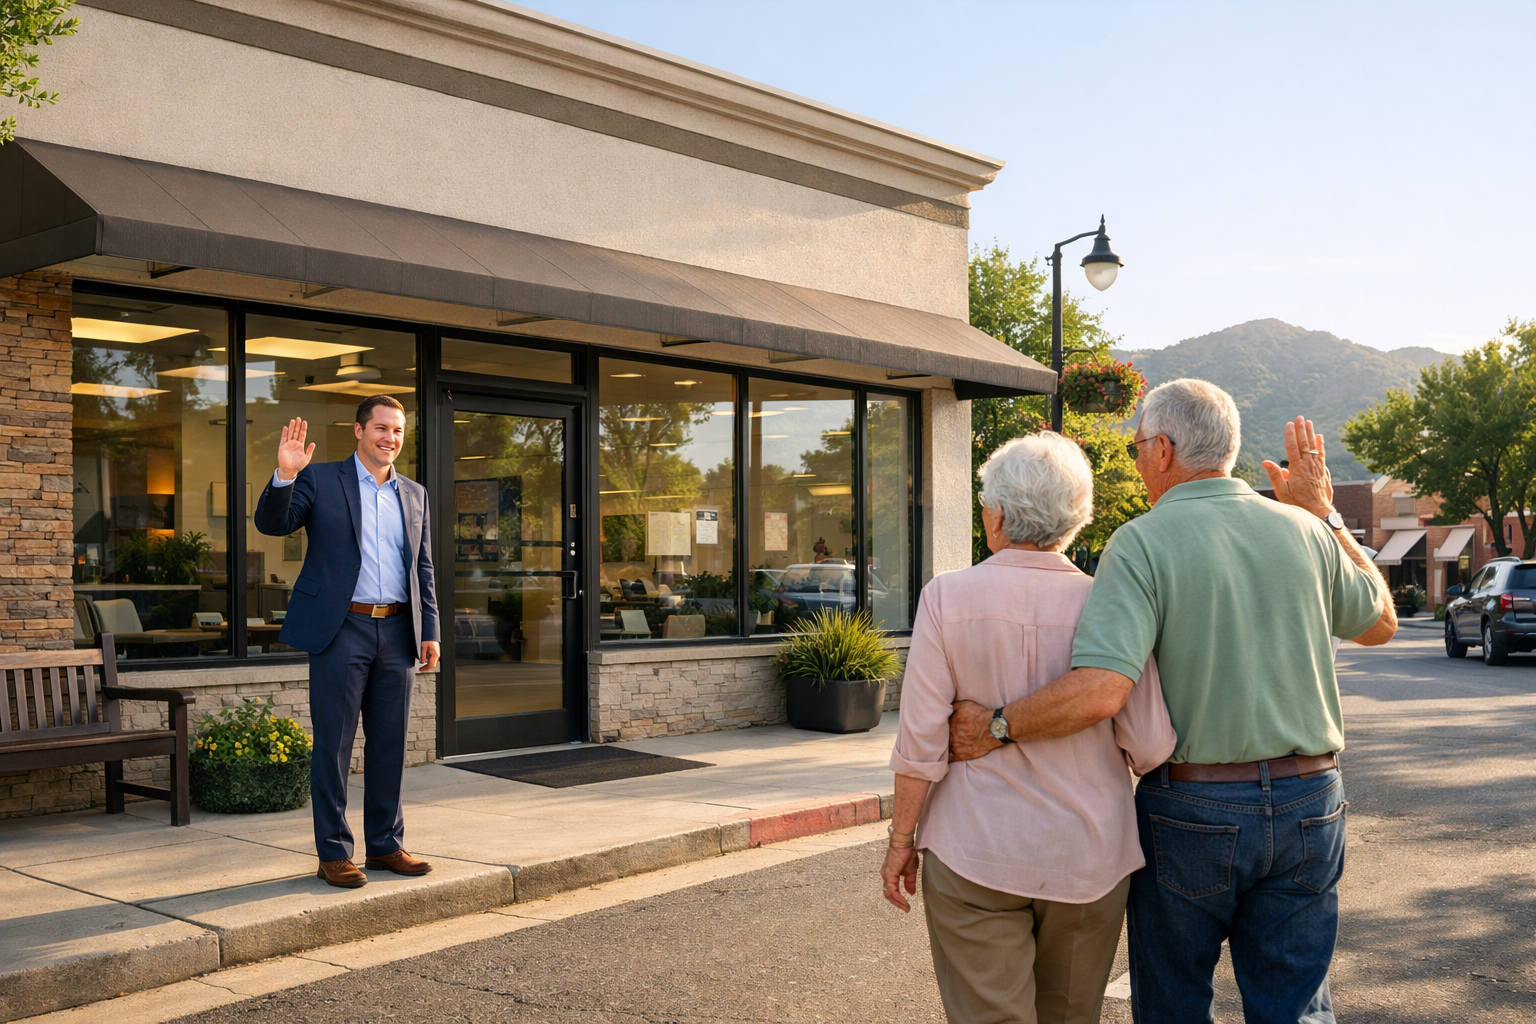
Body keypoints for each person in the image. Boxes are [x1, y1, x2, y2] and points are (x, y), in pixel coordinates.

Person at [948, 380, 1396, 1024]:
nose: (1136, 461)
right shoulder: (1306, 531)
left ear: (1163, 449)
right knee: (1296, 1008)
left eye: (1136, 448)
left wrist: (995, 725)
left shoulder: (1141, 542)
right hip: (1311, 798)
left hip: (1192, 806)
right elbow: (1381, 623)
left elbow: (1103, 689)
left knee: (1174, 1006)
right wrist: (1325, 513)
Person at [883, 432, 1176, 1024]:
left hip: (973, 849)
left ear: (994, 516)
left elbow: (920, 741)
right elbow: (1150, 745)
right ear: (1077, 519)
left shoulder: (946, 598)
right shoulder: (1109, 603)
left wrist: (900, 841)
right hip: (1087, 856)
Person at [254, 395, 442, 889]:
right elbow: (273, 524)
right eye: (381, 428)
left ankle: (385, 845)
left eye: (397, 430)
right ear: (359, 431)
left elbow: (422, 567)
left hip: (398, 630)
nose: (390, 438)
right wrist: (286, 474)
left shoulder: (415, 494)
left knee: (390, 743)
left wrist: (430, 630)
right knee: (334, 745)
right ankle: (334, 853)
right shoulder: (320, 479)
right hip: (341, 628)